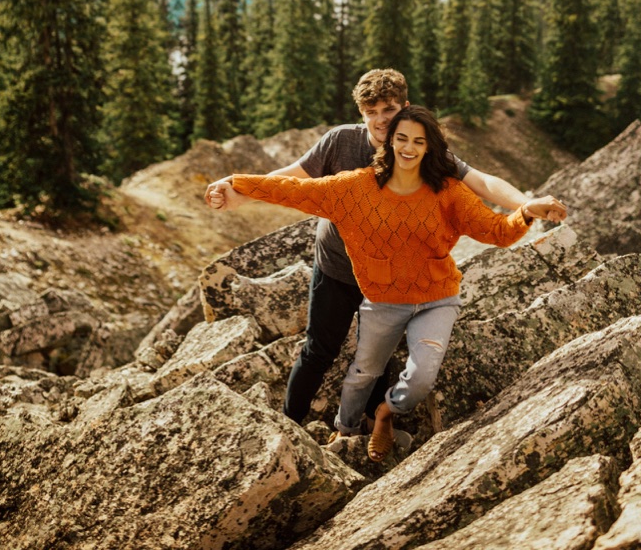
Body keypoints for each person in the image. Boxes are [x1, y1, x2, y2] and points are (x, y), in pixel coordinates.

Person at [203, 68, 567, 426]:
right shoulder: (341, 141)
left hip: (395, 281)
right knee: (319, 350)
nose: (380, 120)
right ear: (361, 114)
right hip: (337, 269)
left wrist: (525, 204)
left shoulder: (422, 150)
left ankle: (367, 428)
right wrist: (237, 190)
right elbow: (292, 181)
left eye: (388, 110)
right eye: (371, 112)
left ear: (404, 108)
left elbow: (483, 183)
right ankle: (289, 424)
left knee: (378, 359)